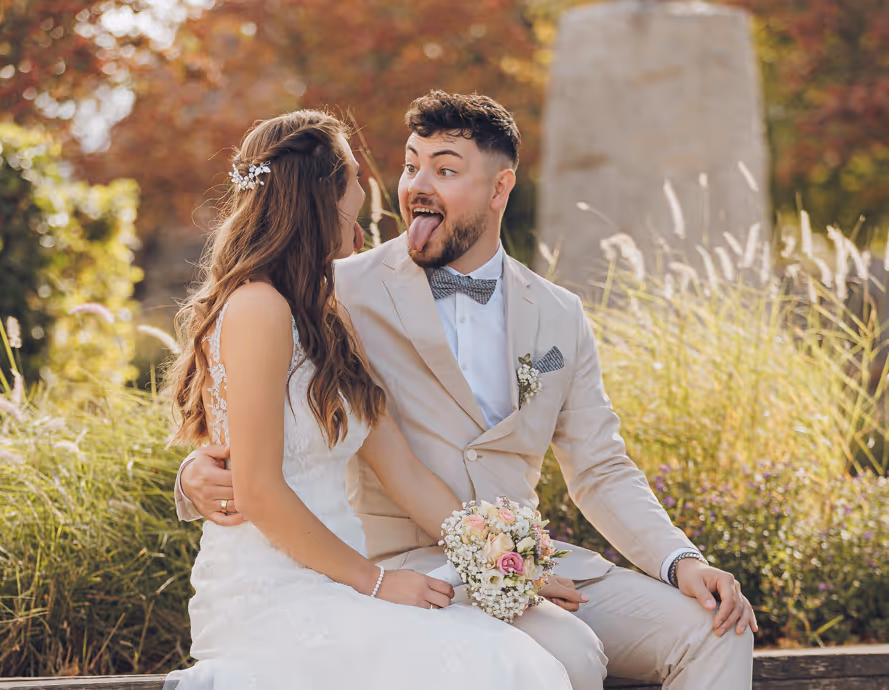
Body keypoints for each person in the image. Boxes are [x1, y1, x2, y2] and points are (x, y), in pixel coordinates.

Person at [177, 92, 758, 689]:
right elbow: (248, 426)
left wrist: (680, 559)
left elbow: (601, 466)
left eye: (446, 169)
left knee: (718, 628)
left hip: (521, 556)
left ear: (500, 187)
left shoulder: (559, 315)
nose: (414, 186)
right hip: (389, 564)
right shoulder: (336, 288)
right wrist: (195, 475)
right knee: (566, 655)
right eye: (409, 165)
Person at [162, 109, 573, 690]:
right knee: (496, 665)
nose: (369, 188)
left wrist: (514, 563)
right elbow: (257, 489)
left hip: (339, 584)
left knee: (508, 656)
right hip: (275, 597)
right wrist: (377, 584)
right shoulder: (258, 307)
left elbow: (402, 469)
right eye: (355, 175)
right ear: (323, 195)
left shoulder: (326, 320)